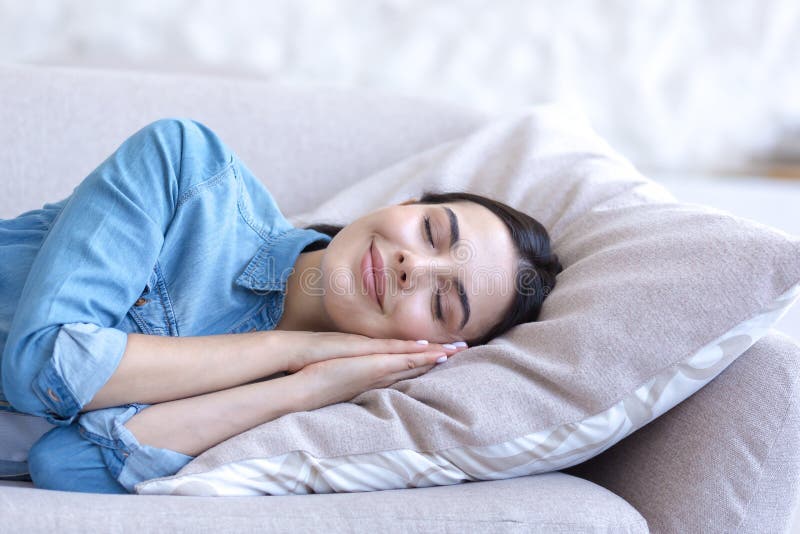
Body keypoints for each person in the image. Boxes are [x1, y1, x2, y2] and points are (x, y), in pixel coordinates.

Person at [0, 118, 561, 494]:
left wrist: (301, 389)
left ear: (430, 350)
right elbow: (41, 366)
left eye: (442, 302)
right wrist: (288, 347)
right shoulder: (189, 170)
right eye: (431, 231)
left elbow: (65, 464)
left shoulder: (310, 421)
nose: (414, 267)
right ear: (405, 203)